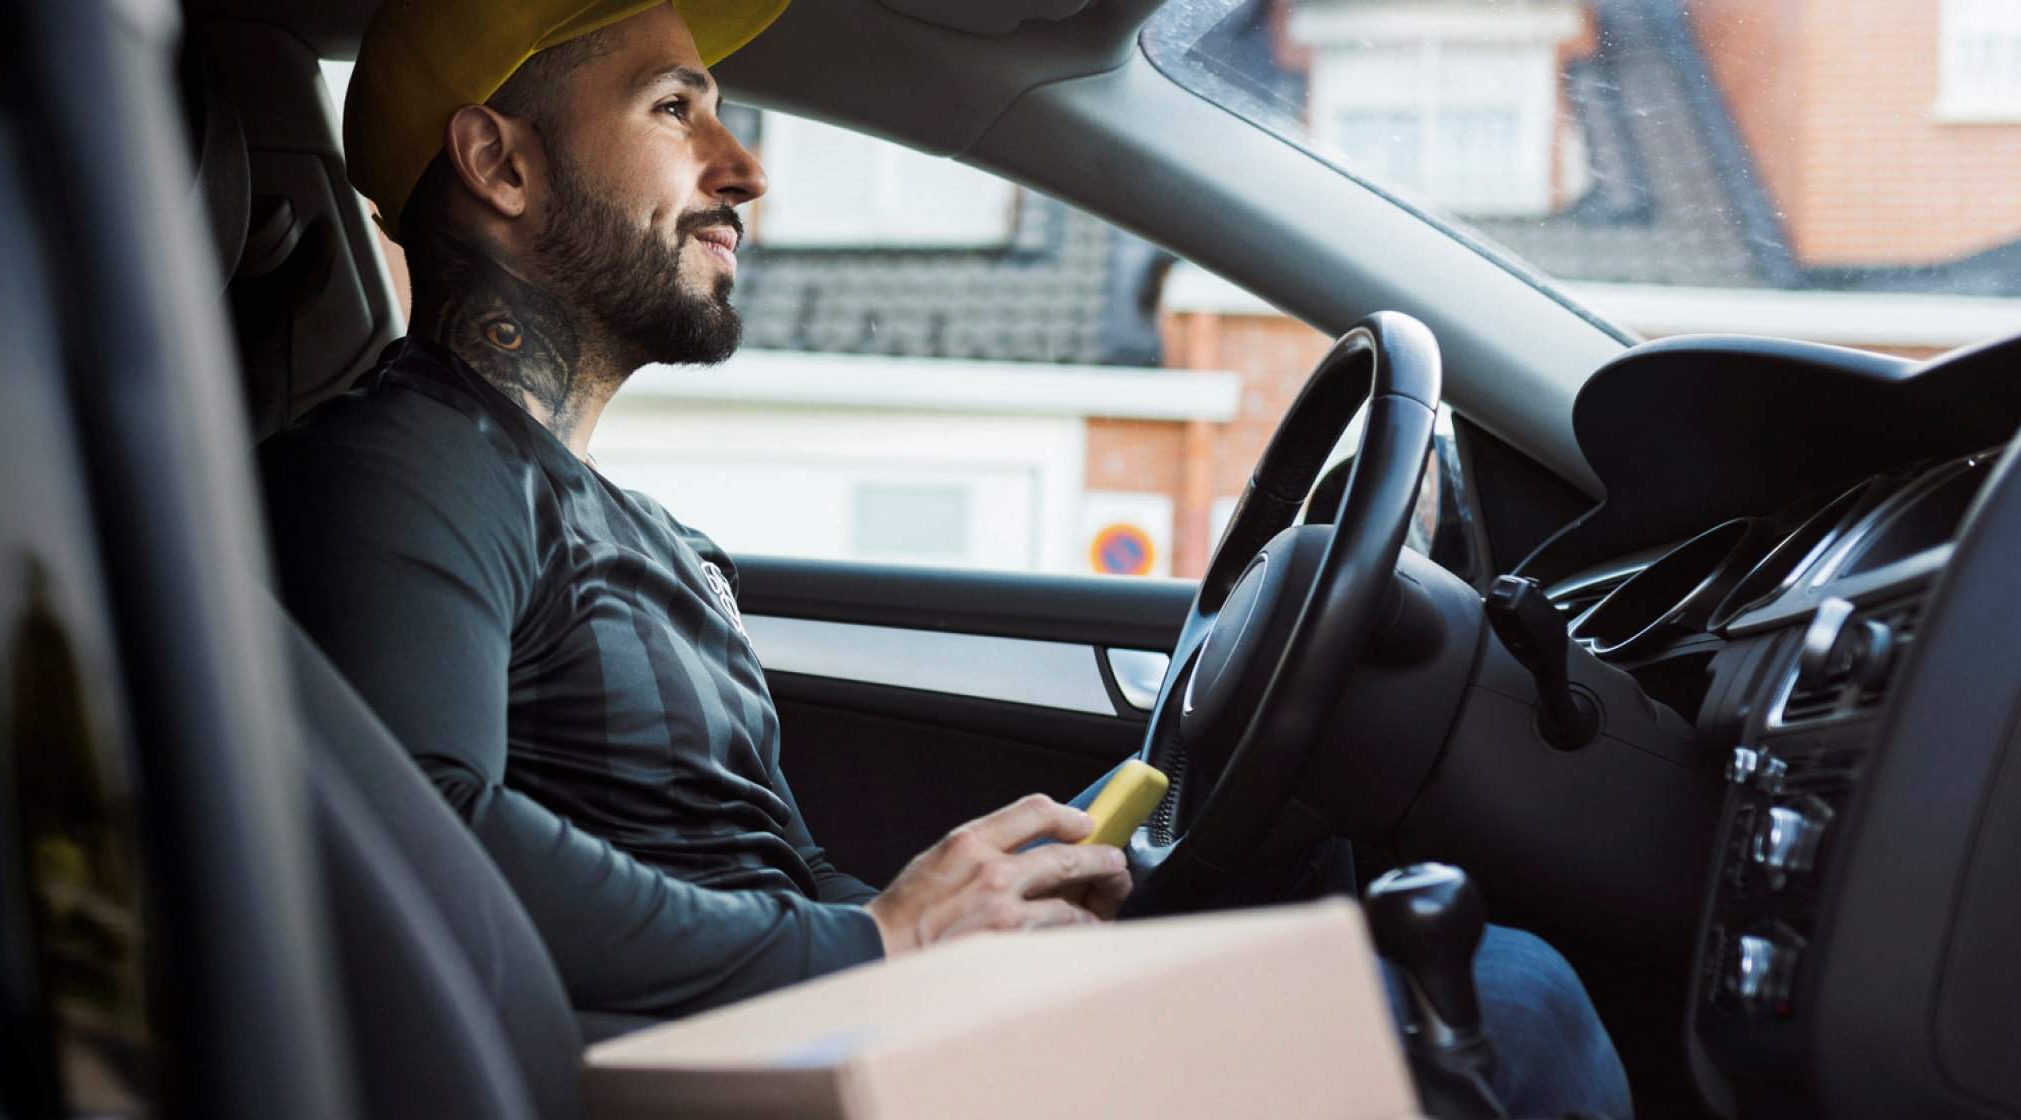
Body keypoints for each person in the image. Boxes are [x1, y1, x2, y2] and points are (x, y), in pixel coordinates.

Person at [259, 2, 1632, 1115]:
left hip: (830, 1029)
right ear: (499, 164)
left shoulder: (634, 526)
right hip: (738, 1065)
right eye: (674, 110)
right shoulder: (408, 460)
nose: (744, 168)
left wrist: (988, 899)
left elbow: (746, 867)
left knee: (1407, 947)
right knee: (1506, 1005)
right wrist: (885, 941)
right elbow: (425, 839)